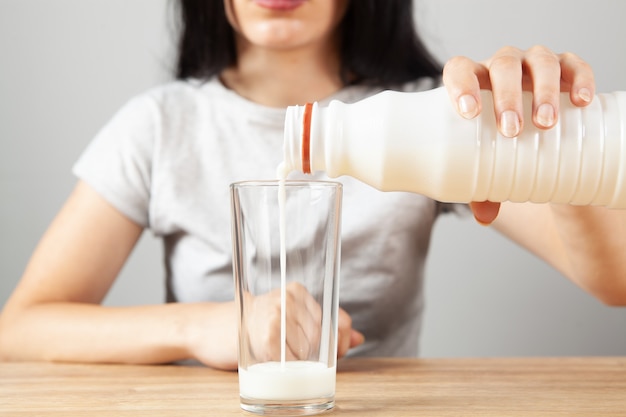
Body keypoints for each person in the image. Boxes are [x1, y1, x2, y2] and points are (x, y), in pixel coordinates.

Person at [0, 0, 625, 369]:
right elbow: (19, 330)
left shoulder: (431, 113)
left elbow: (614, 279)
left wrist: (554, 145)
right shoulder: (163, 125)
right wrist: (204, 327)